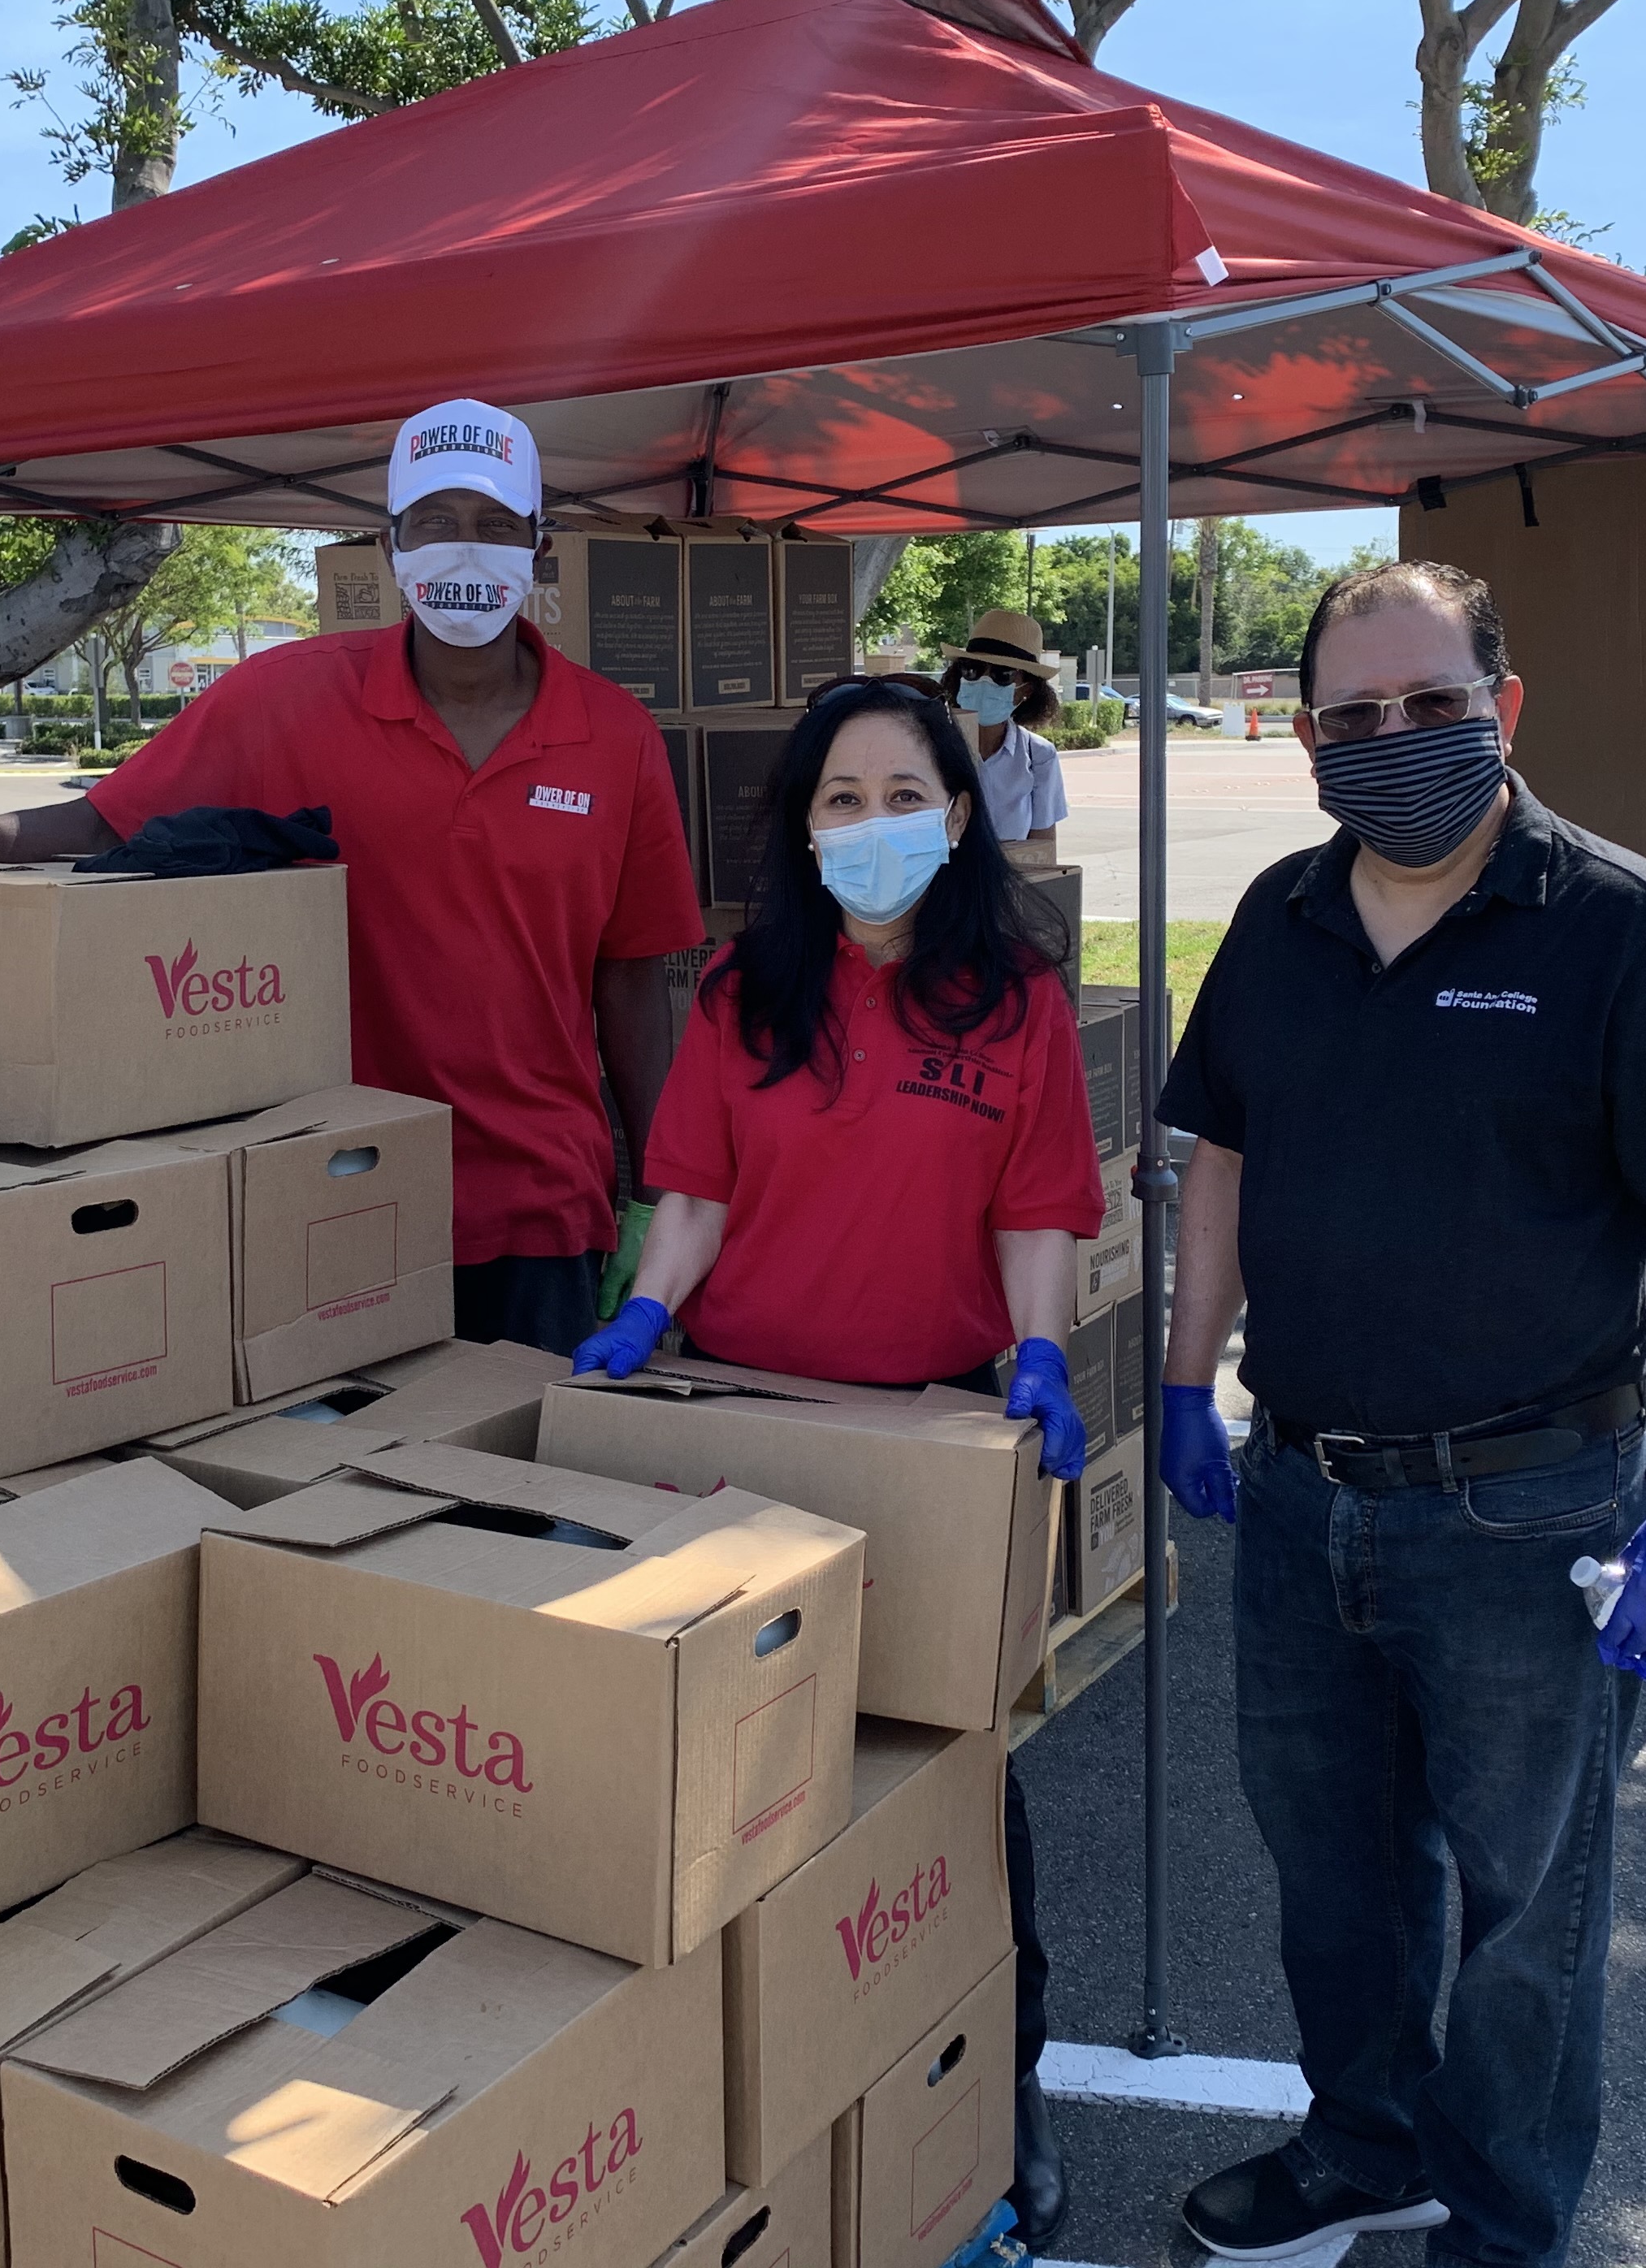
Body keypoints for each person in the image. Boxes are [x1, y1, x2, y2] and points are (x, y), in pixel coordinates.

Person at [1154, 559, 1646, 2268]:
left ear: (1504, 710)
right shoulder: (1279, 922)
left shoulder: (1619, 927)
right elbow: (1220, 1160)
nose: (1396, 740)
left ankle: (1501, 2228)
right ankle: (1362, 2144)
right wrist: (1182, 1376)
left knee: (1524, 1916)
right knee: (1333, 1880)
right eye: (1355, 717)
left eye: (1433, 705)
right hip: (1302, 1502)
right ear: (1305, 740)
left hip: (1531, 1513)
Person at [566, 676, 1105, 2251]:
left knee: (947, 1792)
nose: (875, 826)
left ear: (960, 813)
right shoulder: (747, 993)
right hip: (743, 1430)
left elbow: (1039, 1214)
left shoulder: (1017, 1002)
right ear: (802, 831)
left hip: (925, 1431)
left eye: (905, 793)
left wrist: (1046, 1354)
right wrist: (647, 1308)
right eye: (842, 800)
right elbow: (694, 1191)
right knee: (738, 1775)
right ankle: (761, 2125)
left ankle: (998, 2103)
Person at [0, 397, 703, 1357]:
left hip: (538, 1208)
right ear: (391, 546)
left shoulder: (614, 738)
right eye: (436, 522)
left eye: (497, 525)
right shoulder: (289, 698)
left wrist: (658, 1196)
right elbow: (109, 818)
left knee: (524, 1493)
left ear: (541, 549)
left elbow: (635, 978)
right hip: (327, 1188)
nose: (466, 550)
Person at [936, 611, 1069, 862]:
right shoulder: (931, 746)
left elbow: (1041, 853)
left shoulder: (1039, 756)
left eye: (1002, 674)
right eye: (973, 669)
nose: (984, 682)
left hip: (1006, 894)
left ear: (1025, 690)